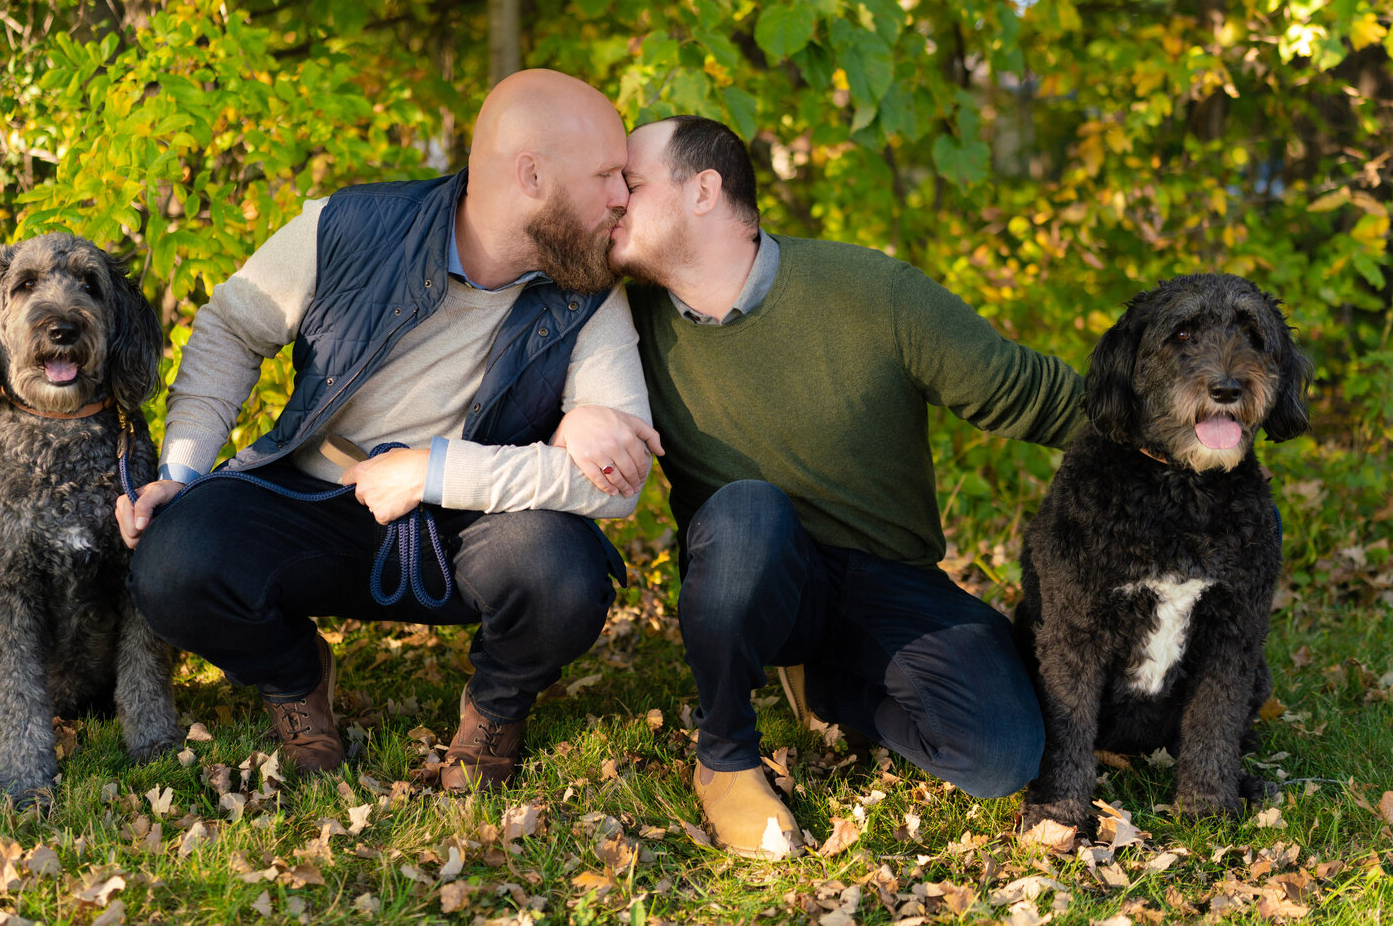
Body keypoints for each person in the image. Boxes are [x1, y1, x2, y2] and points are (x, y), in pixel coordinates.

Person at [119, 69, 664, 792]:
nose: (624, 197)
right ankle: (296, 678)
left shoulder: (590, 294)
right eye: (608, 175)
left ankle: (494, 709)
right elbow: (228, 329)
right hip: (311, 505)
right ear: (531, 174)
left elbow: (618, 488)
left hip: (476, 528)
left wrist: (434, 471)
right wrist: (182, 472)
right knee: (170, 560)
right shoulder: (345, 226)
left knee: (566, 575)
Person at [561, 115, 1085, 858]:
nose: (614, 200)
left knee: (1001, 755)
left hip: (887, 577)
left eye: (632, 184)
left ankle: (830, 689)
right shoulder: (618, 324)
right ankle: (726, 758)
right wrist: (574, 417)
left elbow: (1030, 392)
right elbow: (525, 375)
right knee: (747, 508)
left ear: (704, 189)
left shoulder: (870, 292)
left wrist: (1175, 433)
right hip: (756, 570)